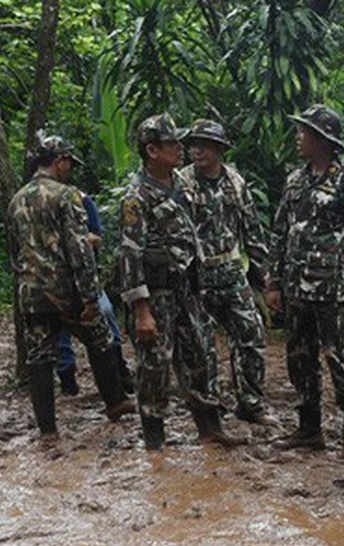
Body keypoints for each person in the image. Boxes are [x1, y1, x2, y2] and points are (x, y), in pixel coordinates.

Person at [118, 113, 244, 451]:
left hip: (187, 290)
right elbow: (130, 256)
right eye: (172, 143)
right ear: (152, 150)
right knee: (155, 365)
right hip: (156, 294)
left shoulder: (182, 186)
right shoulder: (137, 197)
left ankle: (209, 427)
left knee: (201, 354)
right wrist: (141, 311)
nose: (180, 148)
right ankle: (155, 439)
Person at [8, 131, 135, 440]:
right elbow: (79, 250)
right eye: (69, 162)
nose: (71, 169)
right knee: (100, 339)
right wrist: (90, 294)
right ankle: (115, 402)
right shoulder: (66, 197)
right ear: (59, 161)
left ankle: (48, 429)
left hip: (30, 290)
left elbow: (13, 251)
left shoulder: (17, 199)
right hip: (66, 290)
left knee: (39, 355)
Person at [266, 105, 344, 451]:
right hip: (296, 287)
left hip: (333, 290)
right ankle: (309, 428)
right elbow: (280, 231)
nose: (298, 138)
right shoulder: (295, 180)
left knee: (340, 357)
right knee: (300, 359)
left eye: (304, 133)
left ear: (322, 140)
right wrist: (273, 281)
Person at [176, 119, 276, 426]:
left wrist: (264, 276)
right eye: (193, 144)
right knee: (201, 345)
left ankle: (251, 402)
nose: (196, 150)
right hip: (198, 276)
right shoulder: (181, 183)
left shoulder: (235, 182)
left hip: (231, 270)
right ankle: (209, 408)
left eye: (204, 145)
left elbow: (252, 231)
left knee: (250, 334)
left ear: (220, 149)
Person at [55, 190, 133, 397]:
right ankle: (67, 380)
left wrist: (73, 239)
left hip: (86, 277)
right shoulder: (37, 203)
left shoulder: (81, 199)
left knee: (105, 315)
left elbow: (97, 237)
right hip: (54, 279)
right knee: (59, 331)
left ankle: (120, 372)